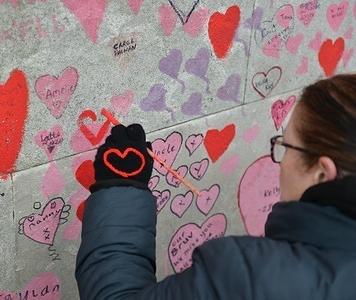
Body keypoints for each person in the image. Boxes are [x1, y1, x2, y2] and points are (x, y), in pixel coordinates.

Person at [75, 73, 356, 299]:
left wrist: (121, 187)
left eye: (286, 146)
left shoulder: (245, 277)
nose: (280, 161)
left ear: (322, 174)